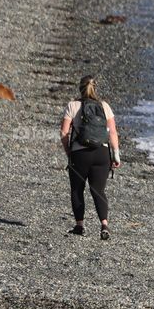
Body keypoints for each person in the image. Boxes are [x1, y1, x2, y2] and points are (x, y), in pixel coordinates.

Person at [60, 76, 121, 239]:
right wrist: (116, 155)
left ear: (80, 88)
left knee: (77, 189)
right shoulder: (104, 106)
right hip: (101, 154)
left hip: (79, 154)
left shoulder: (72, 105)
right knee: (98, 190)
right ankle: (104, 225)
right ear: (96, 88)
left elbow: (64, 133)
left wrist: (69, 152)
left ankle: (79, 226)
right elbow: (113, 132)